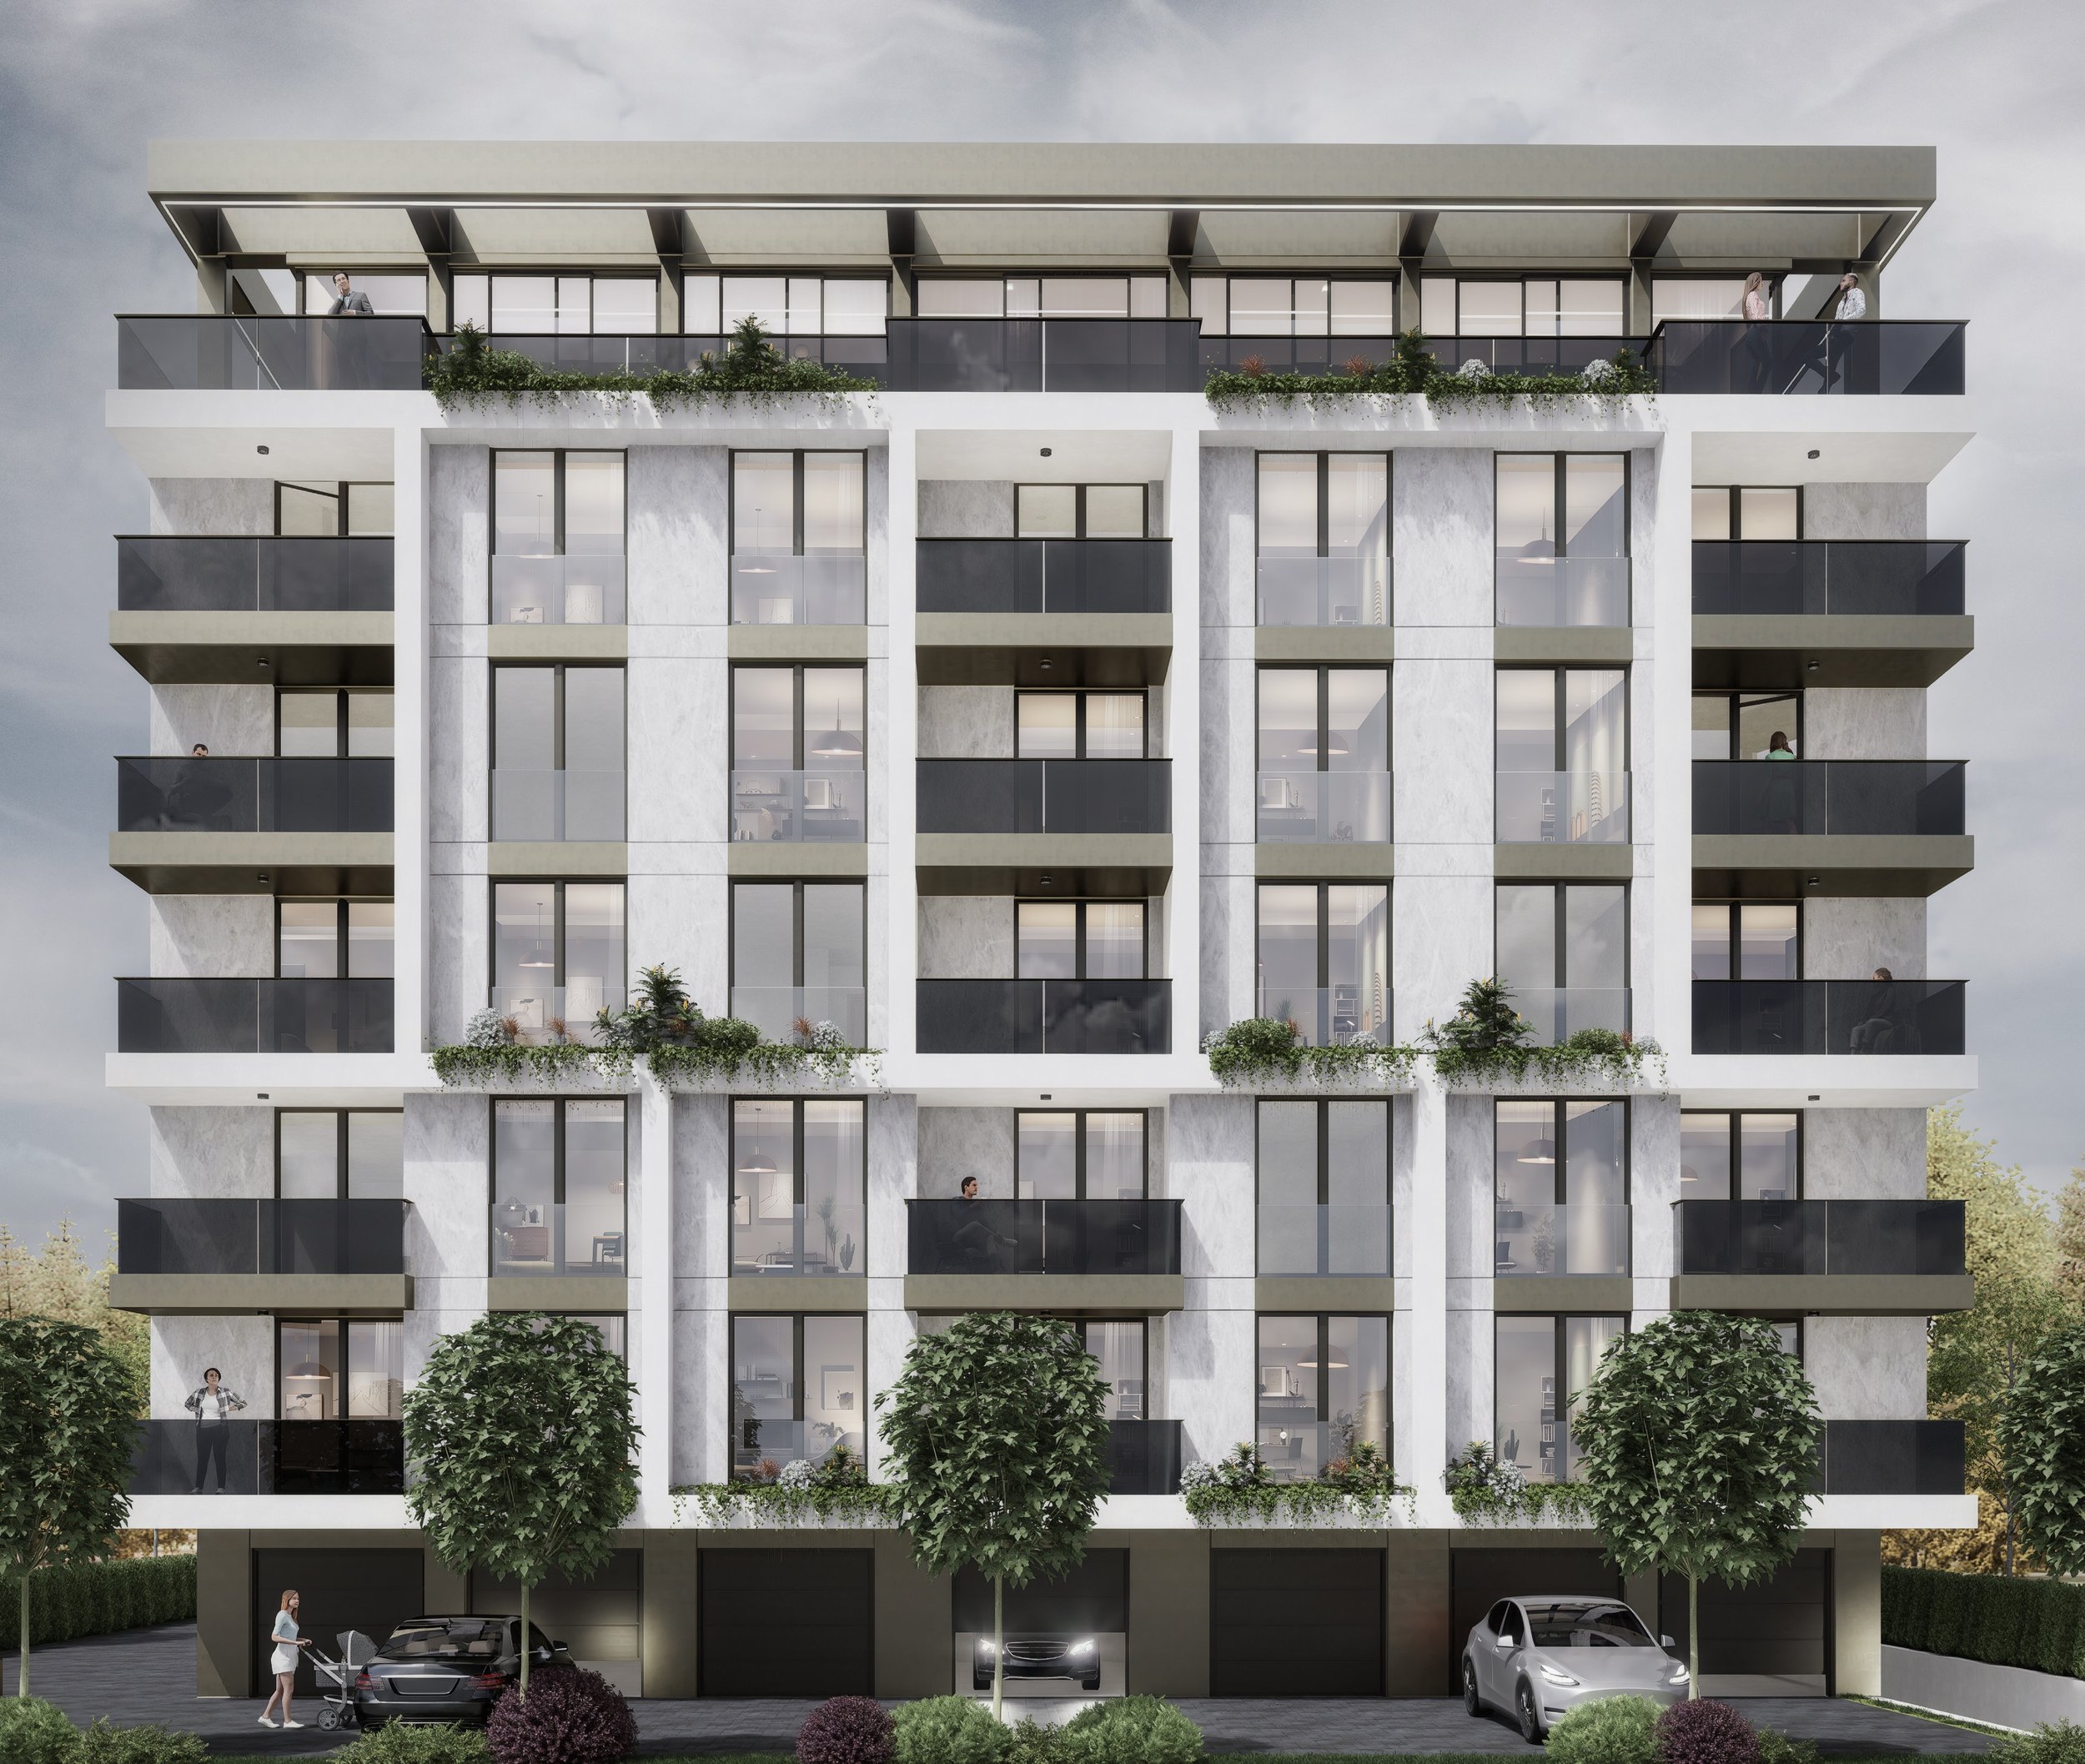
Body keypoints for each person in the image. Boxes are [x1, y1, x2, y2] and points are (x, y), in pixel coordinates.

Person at [184, 1367, 247, 1493]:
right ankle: (198, 1487)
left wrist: (232, 1408)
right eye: (211, 1375)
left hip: (220, 1430)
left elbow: (243, 1403)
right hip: (202, 1430)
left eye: (216, 1375)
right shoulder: (199, 1392)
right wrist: (194, 1409)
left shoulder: (225, 1392)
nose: (214, 1377)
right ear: (206, 1379)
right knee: (202, 1459)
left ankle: (221, 1488)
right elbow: (187, 1403)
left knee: (220, 1458)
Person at [259, 1589, 312, 1728]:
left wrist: (303, 1639)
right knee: (289, 1689)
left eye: (298, 1598)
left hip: (290, 1655)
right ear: (286, 1600)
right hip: (283, 1657)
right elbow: (274, 1637)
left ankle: (265, 1717)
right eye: (294, 1598)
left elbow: (290, 1637)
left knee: (280, 1690)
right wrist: (296, 1643)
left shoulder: (291, 1617)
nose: (297, 1601)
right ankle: (288, 1721)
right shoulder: (282, 1615)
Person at [1851, 966, 1898, 1054]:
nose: (1872, 981)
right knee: (1855, 1030)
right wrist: (1863, 1020)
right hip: (1871, 1021)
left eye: (1874, 978)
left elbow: (1885, 1009)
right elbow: (1868, 1012)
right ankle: (1852, 1054)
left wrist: (1870, 1019)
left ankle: (1865, 1049)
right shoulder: (1875, 996)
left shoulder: (1890, 991)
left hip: (1886, 1021)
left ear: (1881, 977)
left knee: (1871, 1022)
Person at [1760, 729, 1799, 833]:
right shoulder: (1792, 757)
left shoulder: (1770, 757)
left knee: (1770, 820)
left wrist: (1761, 795)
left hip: (1775, 790)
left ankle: (1770, 846)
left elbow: (1767, 779)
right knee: (1789, 821)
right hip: (1789, 790)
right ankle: (1795, 844)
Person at [1741, 271, 1773, 390]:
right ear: (1755, 282)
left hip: (1751, 333)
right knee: (1768, 363)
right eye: (1761, 280)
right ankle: (1756, 390)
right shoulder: (1753, 295)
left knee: (1756, 362)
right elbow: (1756, 316)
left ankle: (1752, 390)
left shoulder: (1749, 296)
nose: (1762, 283)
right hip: (1756, 332)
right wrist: (1763, 329)